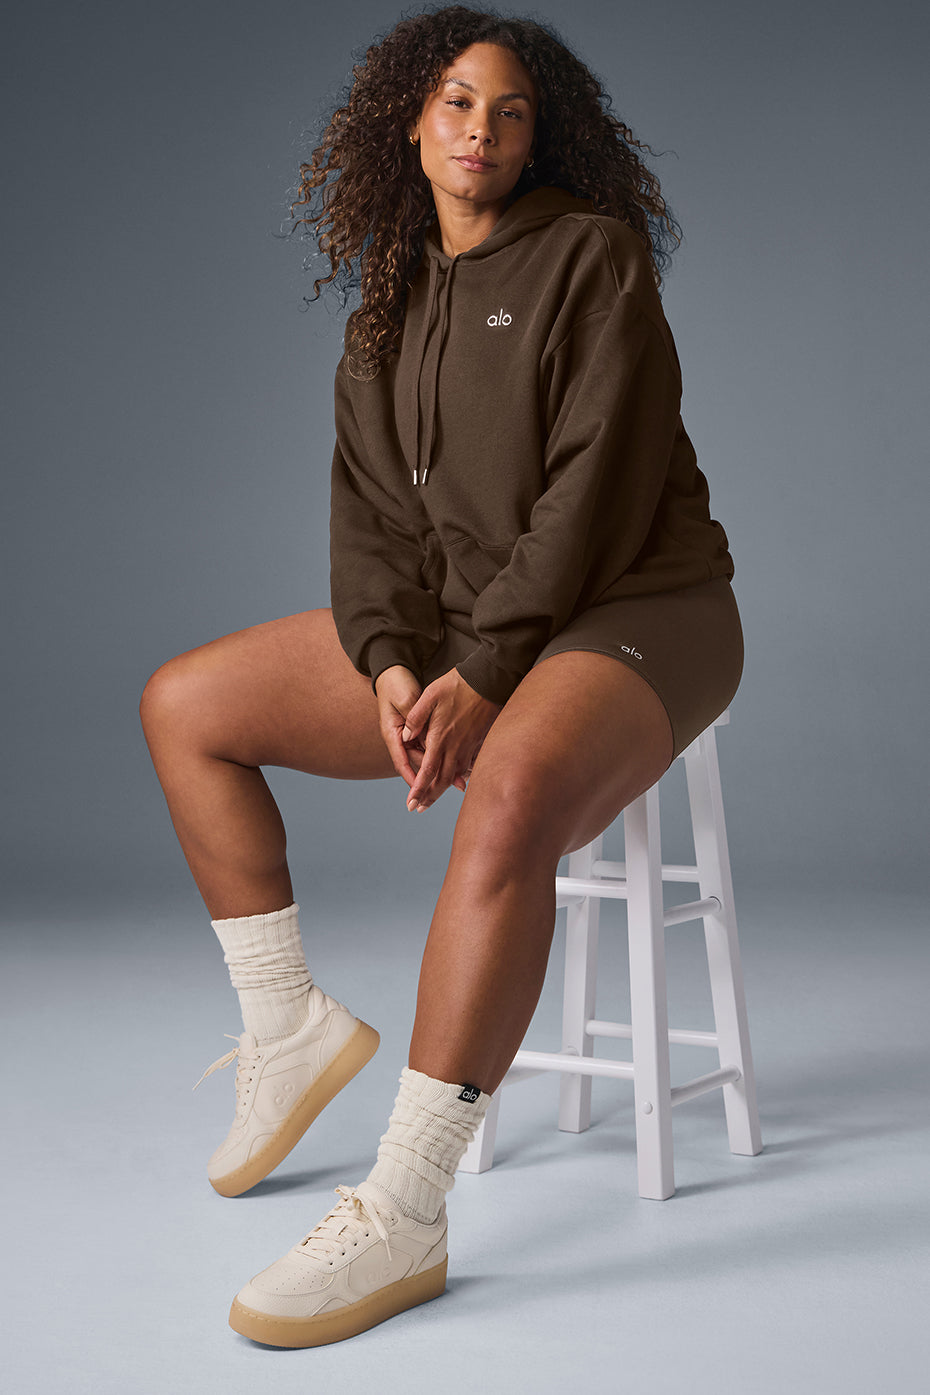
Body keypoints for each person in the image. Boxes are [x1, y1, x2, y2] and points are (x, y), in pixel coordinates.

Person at [140, 3, 743, 1348]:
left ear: (538, 140)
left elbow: (592, 497)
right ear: (408, 125)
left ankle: (407, 1204)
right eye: (458, 104)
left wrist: (484, 670)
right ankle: (288, 1028)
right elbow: (370, 525)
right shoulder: (384, 307)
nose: (481, 131)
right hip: (479, 629)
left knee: (509, 792)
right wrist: (394, 663)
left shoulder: (593, 258)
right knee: (185, 706)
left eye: (510, 112)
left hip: (645, 608)